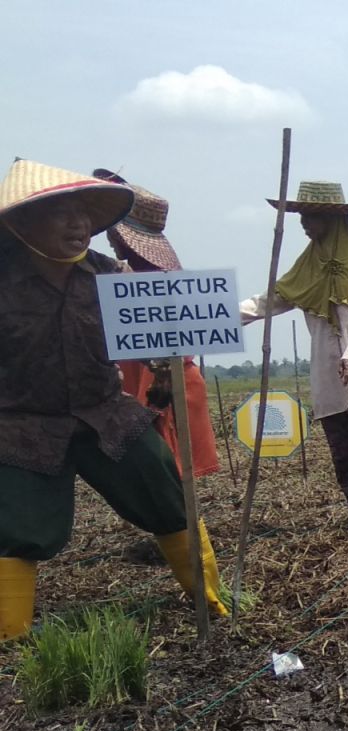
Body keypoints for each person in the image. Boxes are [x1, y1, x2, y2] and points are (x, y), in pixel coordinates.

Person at [0, 159, 227, 640]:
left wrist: (165, 366)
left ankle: (212, 599)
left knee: (166, 496)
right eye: (62, 214)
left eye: (83, 214)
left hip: (107, 415)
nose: (78, 224)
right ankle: (9, 636)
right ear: (23, 225)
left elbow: (157, 345)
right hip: (22, 426)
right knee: (18, 526)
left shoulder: (109, 277)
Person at [241, 181, 348, 529]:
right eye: (303, 216)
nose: (305, 223)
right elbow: (270, 299)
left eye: (313, 216)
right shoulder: (307, 265)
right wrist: (222, 318)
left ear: (334, 219)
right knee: (344, 452)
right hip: (330, 372)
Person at [93, 169, 221, 479]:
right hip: (146, 386)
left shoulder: (148, 282)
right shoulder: (118, 276)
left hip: (160, 388)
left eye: (114, 232)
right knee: (164, 479)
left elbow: (166, 357)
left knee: (169, 477)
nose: (110, 239)